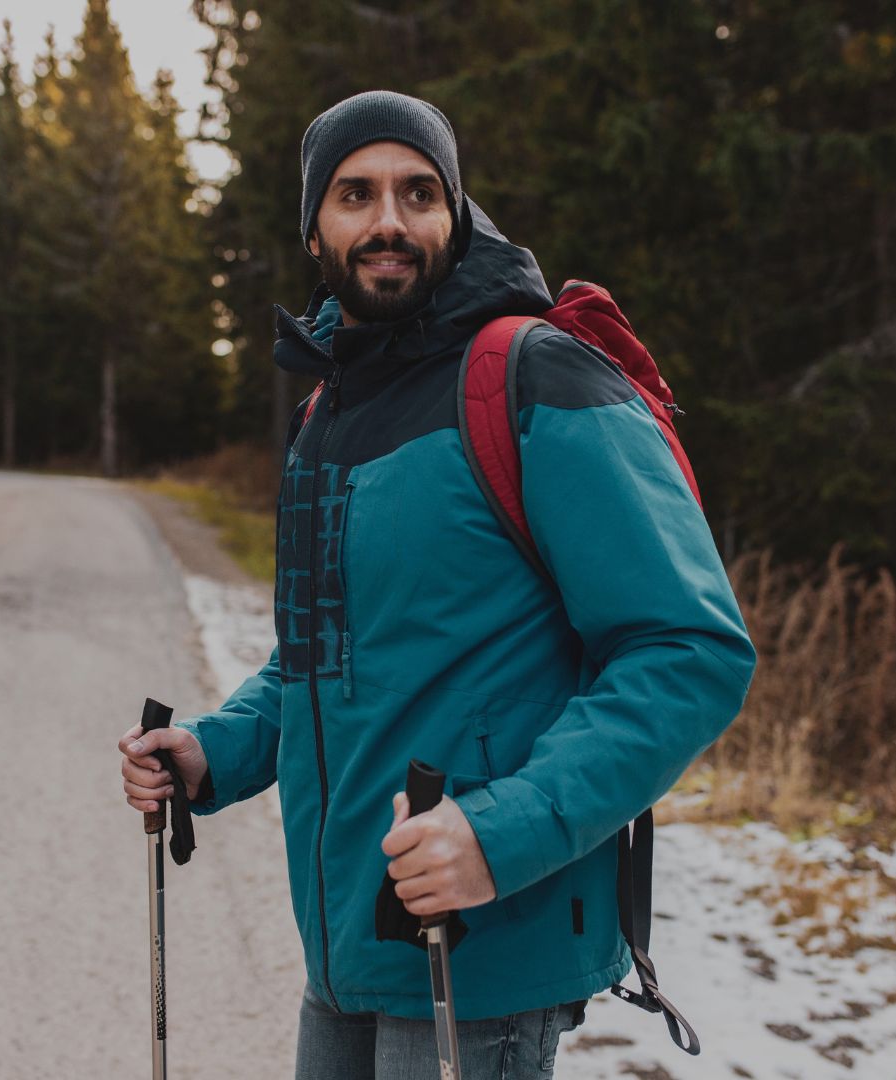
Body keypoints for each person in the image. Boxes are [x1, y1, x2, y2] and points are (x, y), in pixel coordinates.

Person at [119, 90, 756, 1079]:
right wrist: (210, 754)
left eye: (419, 193)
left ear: (455, 215)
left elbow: (692, 649)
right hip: (346, 955)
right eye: (354, 194)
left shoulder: (534, 375)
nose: (388, 220)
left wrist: (498, 835)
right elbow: (318, 662)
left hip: (478, 961)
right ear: (314, 229)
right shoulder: (330, 409)